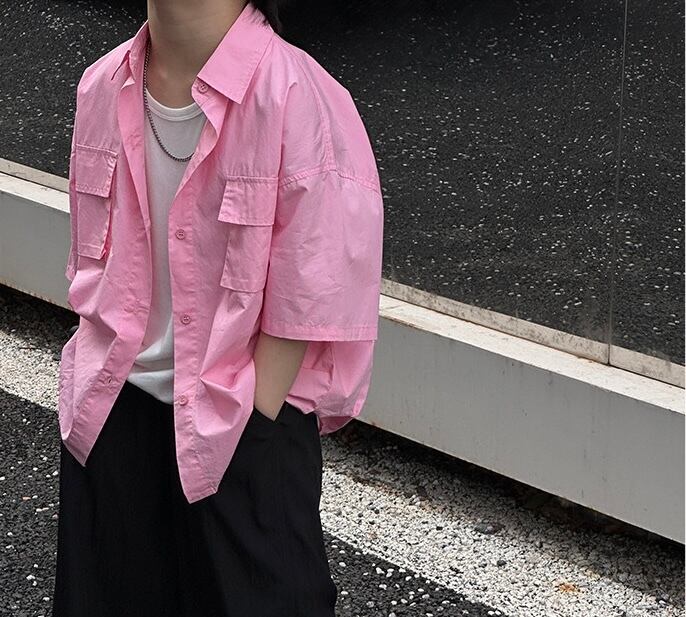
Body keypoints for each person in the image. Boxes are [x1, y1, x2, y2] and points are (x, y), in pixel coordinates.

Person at [51, 0, 384, 615]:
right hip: (112, 412)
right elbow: (92, 263)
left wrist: (259, 413)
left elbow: (316, 286)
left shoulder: (298, 97)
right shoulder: (102, 84)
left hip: (240, 425)